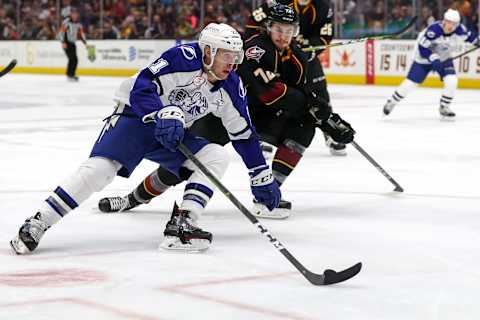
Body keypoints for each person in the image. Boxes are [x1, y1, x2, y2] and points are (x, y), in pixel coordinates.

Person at [10, 23, 280, 255]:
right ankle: (38, 221)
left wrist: (259, 173)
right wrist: (161, 112)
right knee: (100, 171)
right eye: (226, 56)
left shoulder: (232, 86)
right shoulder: (181, 57)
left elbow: (243, 133)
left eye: (235, 56)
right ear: (208, 51)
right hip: (135, 117)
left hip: (171, 130)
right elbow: (142, 86)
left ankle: (182, 226)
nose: (232, 63)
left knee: (215, 156)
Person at [97, 4, 355, 220]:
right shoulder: (256, 47)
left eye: (289, 31)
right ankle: (132, 198)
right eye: (278, 29)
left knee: (304, 128)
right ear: (268, 28)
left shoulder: (298, 58)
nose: (283, 36)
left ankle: (268, 192)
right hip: (223, 114)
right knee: (185, 166)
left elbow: (310, 96)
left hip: (259, 118)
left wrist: (326, 118)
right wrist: (306, 105)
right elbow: (269, 92)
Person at [246, 0, 347, 156]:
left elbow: (324, 35)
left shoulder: (322, 7)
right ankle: (264, 135)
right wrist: (261, 43)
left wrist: (308, 50)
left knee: (317, 94)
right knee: (271, 91)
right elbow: (253, 21)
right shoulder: (277, 2)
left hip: (302, 57)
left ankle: (330, 133)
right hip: (272, 53)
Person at [383, 9, 479, 119]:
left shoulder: (460, 30)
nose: (450, 26)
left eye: (454, 24)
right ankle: (392, 101)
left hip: (443, 56)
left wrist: (477, 41)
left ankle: (444, 107)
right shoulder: (434, 30)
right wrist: (433, 58)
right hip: (423, 58)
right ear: (444, 21)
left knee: (452, 80)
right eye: (448, 22)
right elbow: (422, 47)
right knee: (410, 84)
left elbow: (471, 38)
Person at [58, 9, 87, 81]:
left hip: (73, 43)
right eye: (73, 14)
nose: (75, 15)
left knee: (74, 59)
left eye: (76, 14)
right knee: (72, 58)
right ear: (71, 14)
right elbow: (61, 32)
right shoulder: (66, 22)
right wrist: (63, 42)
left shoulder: (79, 24)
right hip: (66, 43)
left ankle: (70, 74)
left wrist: (85, 42)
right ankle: (70, 75)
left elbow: (81, 33)